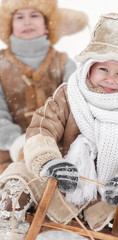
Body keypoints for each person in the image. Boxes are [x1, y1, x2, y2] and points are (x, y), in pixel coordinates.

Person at [0, 13, 118, 240]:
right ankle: (9, 230)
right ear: (89, 68)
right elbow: (42, 129)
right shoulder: (69, 94)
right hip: (57, 182)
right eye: (103, 69)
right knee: (15, 179)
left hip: (108, 192)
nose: (110, 78)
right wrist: (49, 161)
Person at [0, 0, 88, 173]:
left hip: (58, 153)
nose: (27, 21)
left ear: (47, 26)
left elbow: (77, 108)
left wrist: (51, 143)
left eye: (34, 15)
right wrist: (18, 143)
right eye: (19, 17)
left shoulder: (64, 64)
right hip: (7, 158)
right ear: (10, 26)